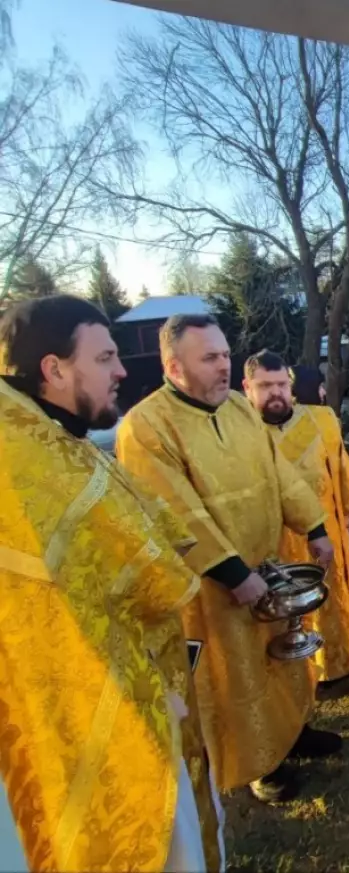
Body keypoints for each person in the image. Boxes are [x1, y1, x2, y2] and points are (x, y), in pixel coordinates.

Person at [0, 296, 224, 872]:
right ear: (54, 369)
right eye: (104, 358)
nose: (122, 370)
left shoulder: (54, 438)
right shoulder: (29, 460)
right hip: (96, 709)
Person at [116, 313, 340, 804]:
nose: (224, 366)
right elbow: (173, 512)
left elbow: (280, 474)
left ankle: (292, 733)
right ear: (175, 367)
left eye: (225, 354)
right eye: (210, 358)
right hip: (217, 586)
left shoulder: (239, 408)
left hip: (273, 566)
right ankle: (258, 762)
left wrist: (317, 528)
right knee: (236, 673)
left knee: (283, 657)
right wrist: (232, 573)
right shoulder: (145, 428)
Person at [244, 351, 349, 684]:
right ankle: (295, 667)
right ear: (248, 389)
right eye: (265, 386)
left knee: (333, 597)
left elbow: (342, 469)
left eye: (281, 384)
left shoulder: (322, 419)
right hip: (274, 543)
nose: (275, 392)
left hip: (327, 533)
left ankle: (340, 661)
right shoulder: (241, 433)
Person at [290, 364, 349, 558]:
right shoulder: (322, 416)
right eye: (319, 386)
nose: (322, 391)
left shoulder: (286, 419)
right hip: (325, 494)